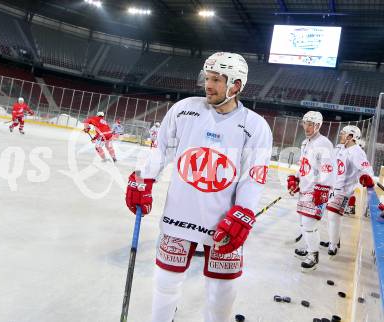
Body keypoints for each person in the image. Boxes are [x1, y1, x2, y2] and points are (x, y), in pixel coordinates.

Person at [125, 52, 273, 322]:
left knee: (222, 291)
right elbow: (161, 149)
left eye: (216, 79)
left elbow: (253, 175)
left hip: (222, 223)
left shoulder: (255, 126)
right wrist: (143, 178)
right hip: (178, 216)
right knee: (165, 282)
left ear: (236, 85)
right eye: (207, 78)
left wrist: (244, 212)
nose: (208, 84)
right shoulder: (185, 109)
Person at [287, 111, 335, 272]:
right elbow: (303, 165)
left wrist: (322, 189)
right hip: (305, 188)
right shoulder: (305, 143)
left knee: (309, 223)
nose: (307, 127)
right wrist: (296, 179)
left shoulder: (324, 143)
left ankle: (313, 255)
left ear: (318, 125)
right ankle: (308, 248)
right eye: (305, 123)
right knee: (302, 222)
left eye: (311, 124)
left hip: (316, 190)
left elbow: (328, 169)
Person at [325, 125, 375, 257]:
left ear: (351, 137)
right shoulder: (340, 147)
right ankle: (333, 239)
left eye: (343, 133)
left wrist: (366, 177)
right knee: (331, 217)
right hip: (333, 187)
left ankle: (333, 245)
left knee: (333, 216)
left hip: (344, 190)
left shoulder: (357, 152)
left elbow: (366, 169)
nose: (341, 135)